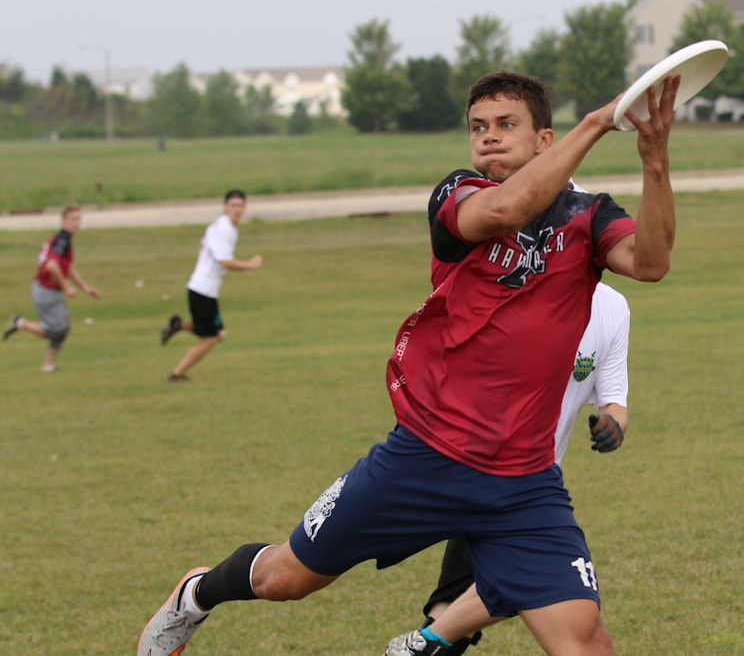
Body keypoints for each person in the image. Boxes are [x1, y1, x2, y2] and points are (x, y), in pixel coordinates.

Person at [137, 70, 680, 656]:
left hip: (524, 484)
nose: (489, 137)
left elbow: (650, 262)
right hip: (425, 458)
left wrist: (654, 161)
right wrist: (599, 122)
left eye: (507, 124)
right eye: (478, 126)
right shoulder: (458, 193)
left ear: (544, 140)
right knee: (286, 578)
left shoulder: (587, 216)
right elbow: (508, 209)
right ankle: (196, 594)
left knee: (584, 641)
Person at [403, 280, 632, 655]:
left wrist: (614, 426)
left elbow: (614, 401)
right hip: (480, 471)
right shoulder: (509, 288)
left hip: (531, 487)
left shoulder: (612, 307)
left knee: (451, 612)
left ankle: (421, 643)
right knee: (544, 593)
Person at [159, 189, 262, 382]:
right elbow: (225, 262)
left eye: (240, 205)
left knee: (213, 333)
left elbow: (203, 244)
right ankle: (176, 374)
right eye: (233, 205)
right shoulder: (224, 229)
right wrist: (251, 265)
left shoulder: (222, 226)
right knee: (213, 336)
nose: (237, 209)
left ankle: (179, 324)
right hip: (203, 291)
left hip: (203, 289)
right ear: (225, 207)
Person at [3, 204, 100, 372]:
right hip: (46, 291)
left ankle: (48, 366)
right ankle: (21, 323)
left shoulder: (62, 239)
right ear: (63, 221)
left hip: (45, 290)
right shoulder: (62, 241)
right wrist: (66, 287)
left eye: (79, 219)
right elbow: (52, 266)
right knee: (58, 330)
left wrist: (85, 288)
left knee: (61, 329)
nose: (77, 223)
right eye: (73, 219)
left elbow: (66, 267)